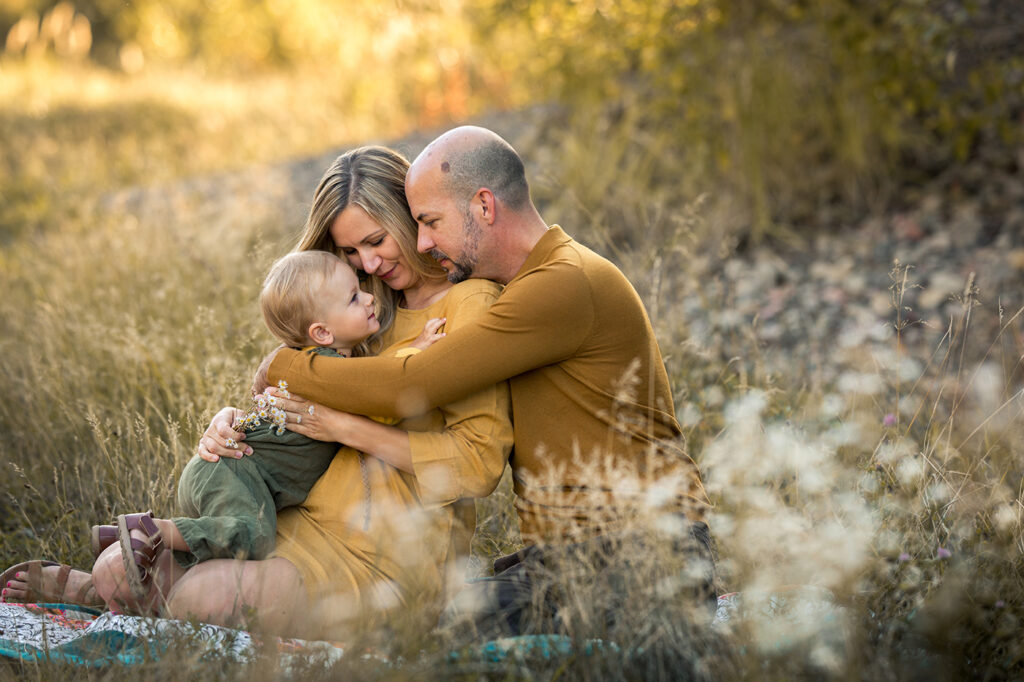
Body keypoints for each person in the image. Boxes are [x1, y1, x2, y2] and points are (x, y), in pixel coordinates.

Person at [243, 126, 716, 637]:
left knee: (436, 646)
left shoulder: (560, 284)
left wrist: (284, 366)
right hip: (574, 553)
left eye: (430, 222)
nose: (423, 242)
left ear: (484, 206)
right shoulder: (525, 284)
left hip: (644, 548)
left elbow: (420, 379)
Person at [82, 145, 512, 637]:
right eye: (351, 253)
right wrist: (229, 421)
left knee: (201, 598)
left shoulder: (468, 305)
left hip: (382, 560)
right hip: (293, 526)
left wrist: (346, 427)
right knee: (116, 567)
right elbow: (288, 391)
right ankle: (105, 591)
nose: (369, 264)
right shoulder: (363, 310)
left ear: (412, 213)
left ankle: (105, 599)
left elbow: (476, 467)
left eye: (376, 240)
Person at [89, 250, 447, 607]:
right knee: (254, 538)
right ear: (322, 332)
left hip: (225, 471)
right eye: (354, 297)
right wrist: (415, 353)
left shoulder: (314, 365)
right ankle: (152, 530)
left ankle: (127, 562)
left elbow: (370, 380)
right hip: (235, 472)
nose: (369, 298)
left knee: (224, 557)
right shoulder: (326, 373)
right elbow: (378, 397)